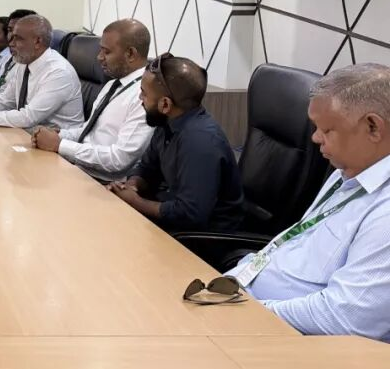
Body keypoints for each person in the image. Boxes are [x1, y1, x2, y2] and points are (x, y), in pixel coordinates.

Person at [226, 64, 390, 342]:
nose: (315, 138)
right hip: (249, 304)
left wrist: (249, 312)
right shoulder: (347, 171)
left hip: (289, 340)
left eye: (326, 129)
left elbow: (345, 318)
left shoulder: (385, 213)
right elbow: (297, 245)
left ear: (372, 126)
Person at [105, 54, 243, 233]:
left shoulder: (199, 142)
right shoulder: (167, 121)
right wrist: (132, 185)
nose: (140, 98)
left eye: (144, 93)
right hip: (174, 215)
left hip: (203, 237)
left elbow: (189, 214)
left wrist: (135, 201)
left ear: (165, 104)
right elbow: (148, 168)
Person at [31, 19, 154, 182]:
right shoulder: (112, 84)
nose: (99, 57)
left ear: (130, 54)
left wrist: (59, 145)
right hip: (78, 168)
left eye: (106, 52)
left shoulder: (144, 96)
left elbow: (119, 160)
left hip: (101, 183)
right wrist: (57, 134)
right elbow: (88, 131)